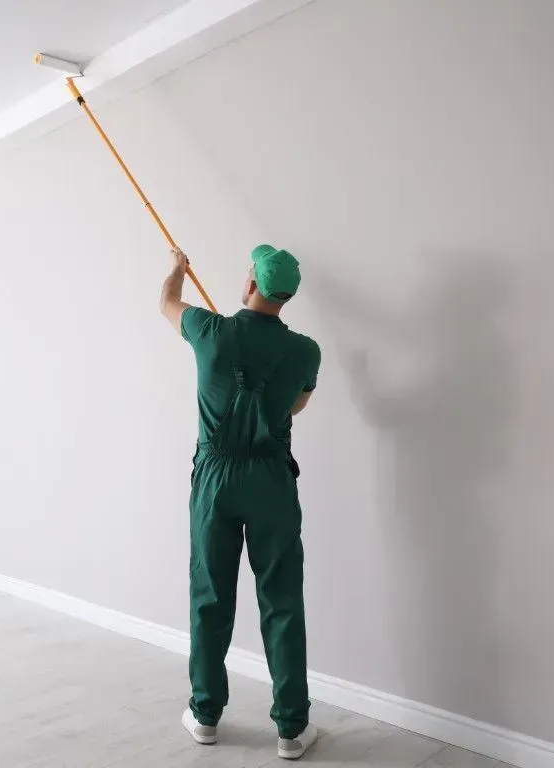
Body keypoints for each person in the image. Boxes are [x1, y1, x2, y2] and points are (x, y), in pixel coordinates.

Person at [160, 244, 321, 760]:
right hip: (271, 478)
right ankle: (292, 730)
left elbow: (165, 302)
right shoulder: (306, 351)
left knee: (210, 595)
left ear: (251, 282)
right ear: (286, 295)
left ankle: (205, 715)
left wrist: (178, 269)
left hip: (216, 480)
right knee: (282, 600)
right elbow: (297, 403)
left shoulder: (209, 331)